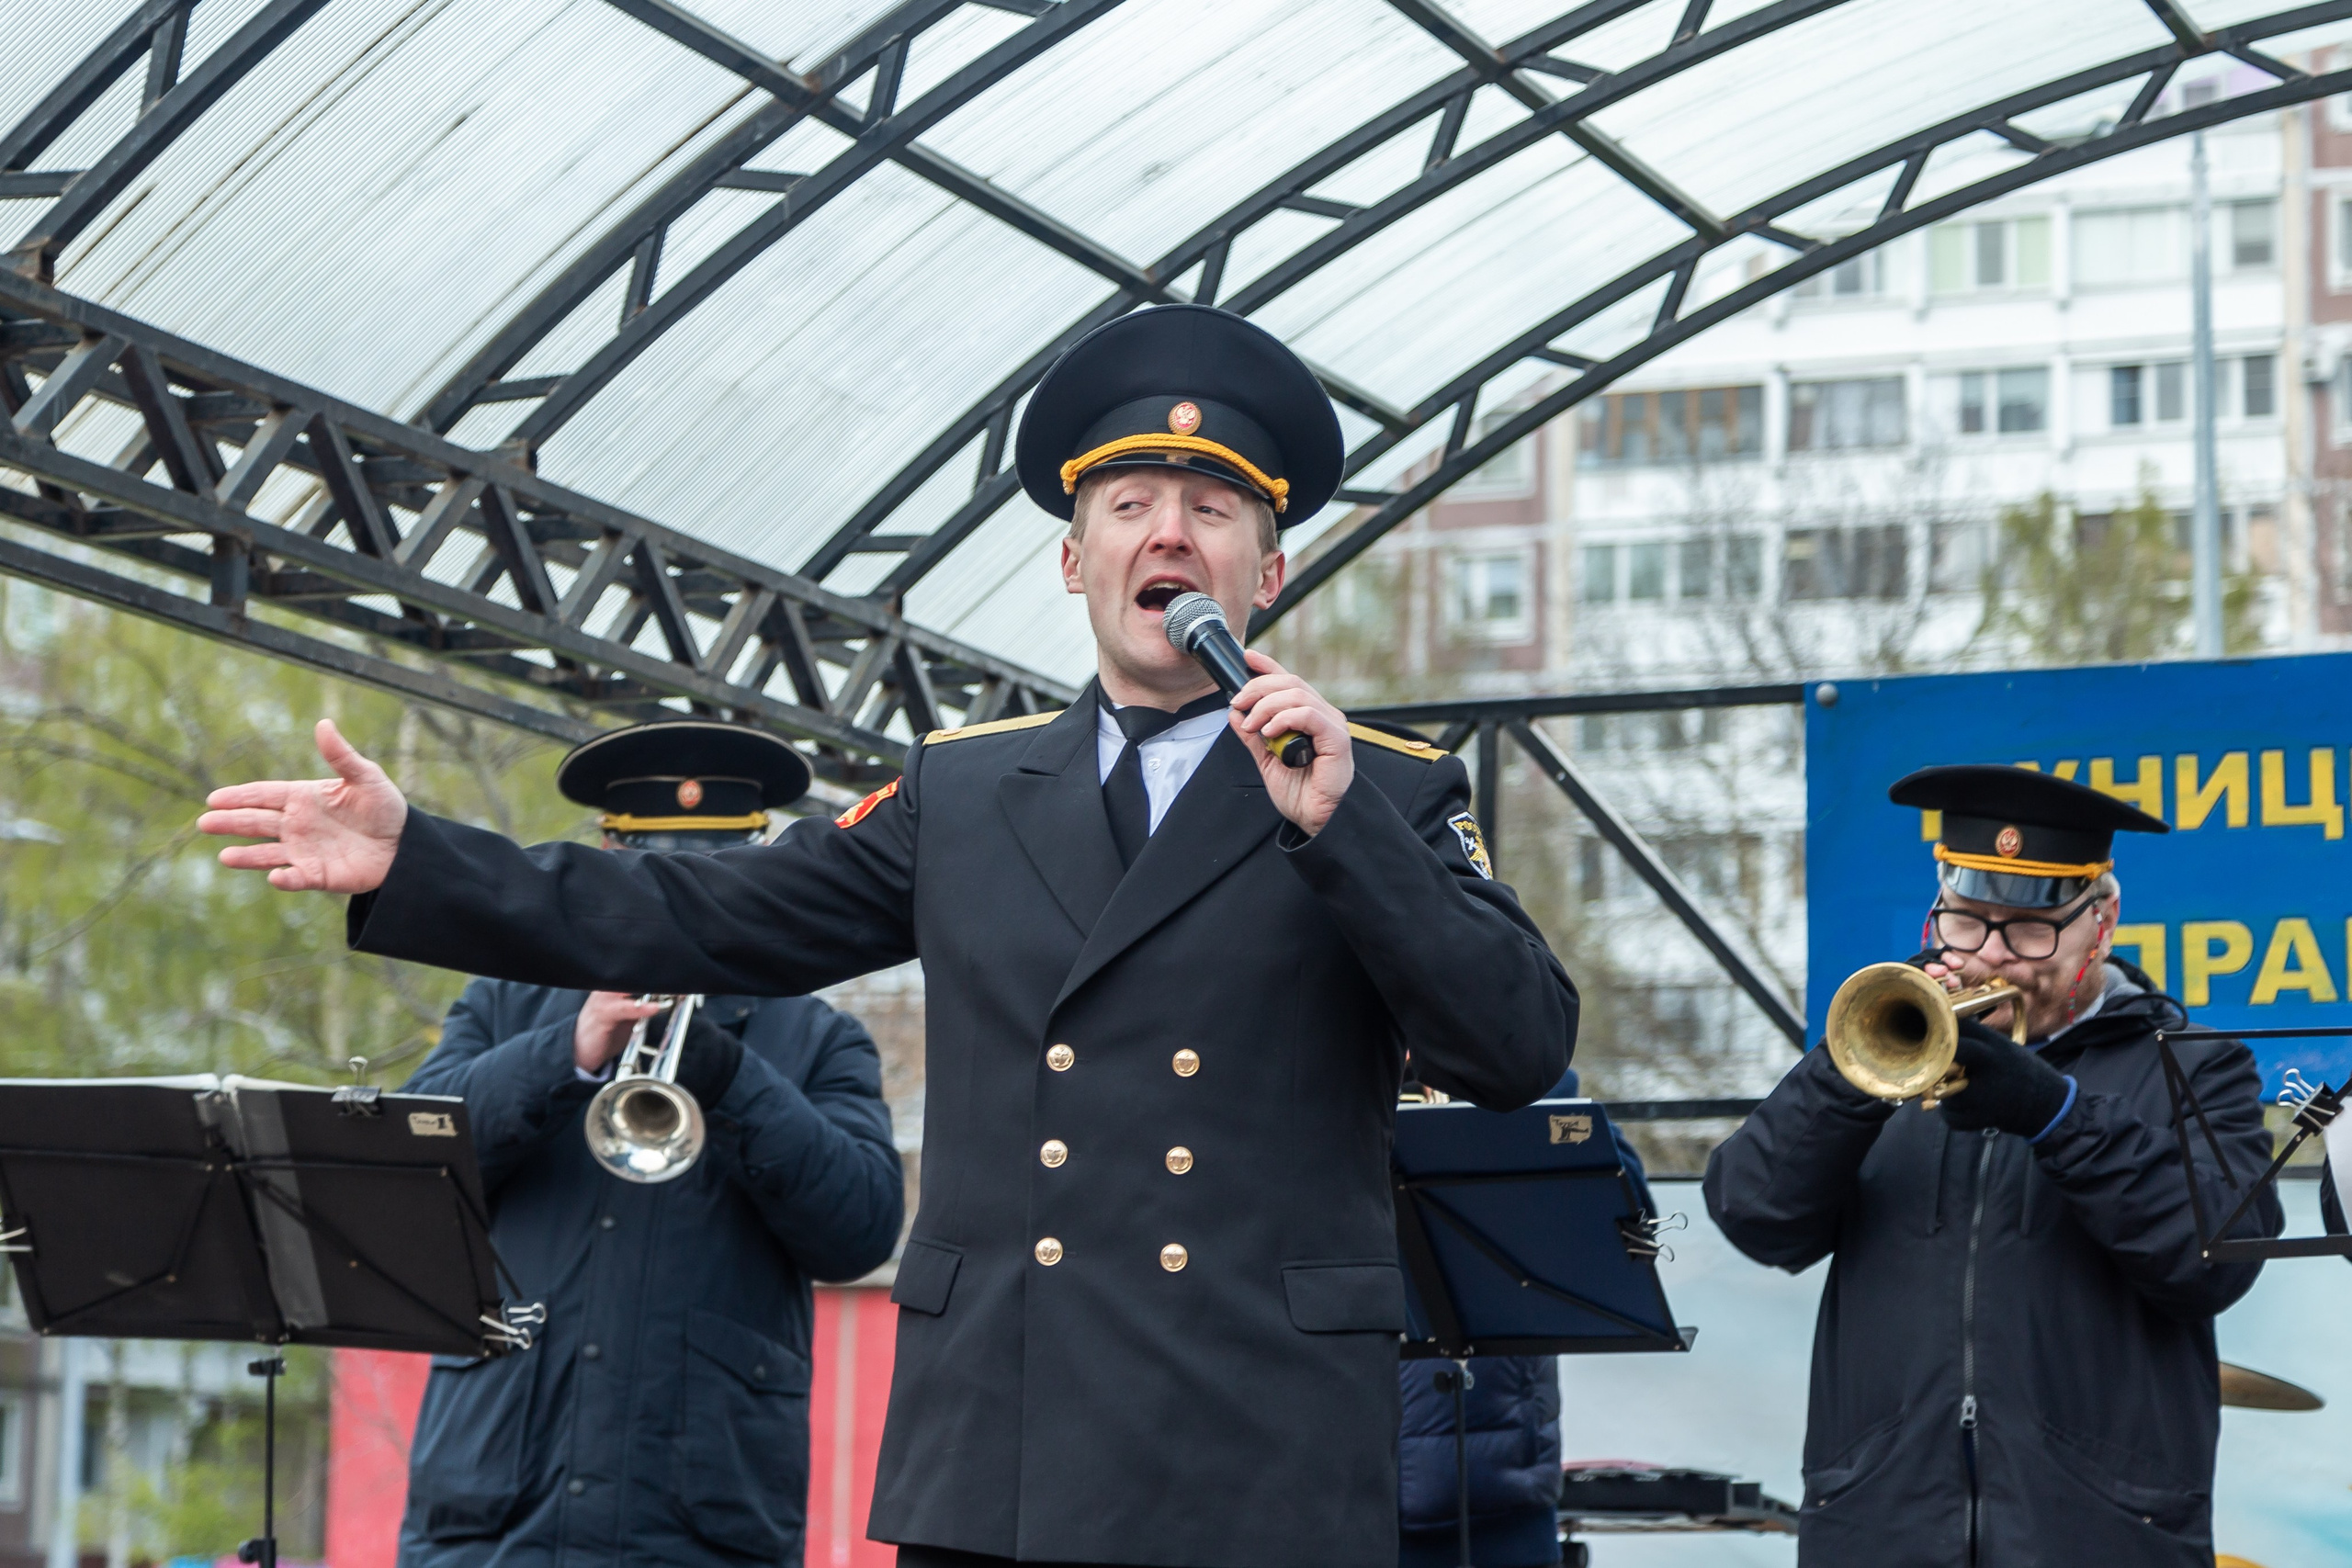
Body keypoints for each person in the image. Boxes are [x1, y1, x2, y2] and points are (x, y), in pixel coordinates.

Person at [198, 303, 1579, 1568]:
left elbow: (1516, 1042)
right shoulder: (963, 788)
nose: (1170, 532)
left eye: (1212, 508)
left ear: (1263, 569)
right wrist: (423, 856)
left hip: (1259, 1460)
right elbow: (701, 910)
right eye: (1130, 502)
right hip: (1002, 1450)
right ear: (1072, 557)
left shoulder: (1380, 783)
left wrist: (1342, 832)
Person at [1703, 764, 2281, 1568]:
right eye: (1969, 922)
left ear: (2103, 921)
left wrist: (2056, 1112)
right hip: (1880, 1528)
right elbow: (1755, 1214)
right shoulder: (1876, 1055)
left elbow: (2217, 1257)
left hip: (2098, 1535)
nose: (1995, 957)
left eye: (2029, 930)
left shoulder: (2195, 1064)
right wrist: (1847, 1074)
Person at [395, 718, 904, 1568]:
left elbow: (861, 1231)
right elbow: (409, 1172)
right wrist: (569, 1048)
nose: (671, 913)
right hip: (491, 1519)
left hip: (700, 1529)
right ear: (606, 861)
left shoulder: (817, 1037)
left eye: (705, 883)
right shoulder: (506, 1002)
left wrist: (728, 1073)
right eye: (647, 879)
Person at [1395, 1067, 1649, 1568]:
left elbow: (1636, 1235)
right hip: (1338, 1497)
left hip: (1501, 1502)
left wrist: (1528, 1082)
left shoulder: (1507, 1073)